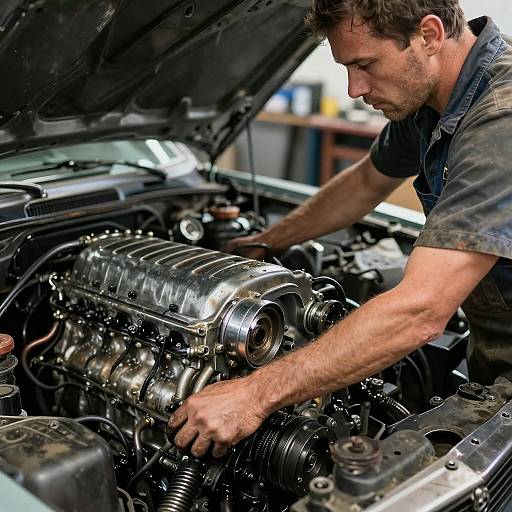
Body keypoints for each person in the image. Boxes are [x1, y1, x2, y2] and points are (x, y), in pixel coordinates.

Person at [169, 0, 512, 459]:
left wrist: (253, 394)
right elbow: (368, 180)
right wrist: (267, 241)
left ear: (429, 35)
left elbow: (422, 310)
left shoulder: (499, 118)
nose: (354, 88)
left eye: (364, 63)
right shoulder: (434, 98)